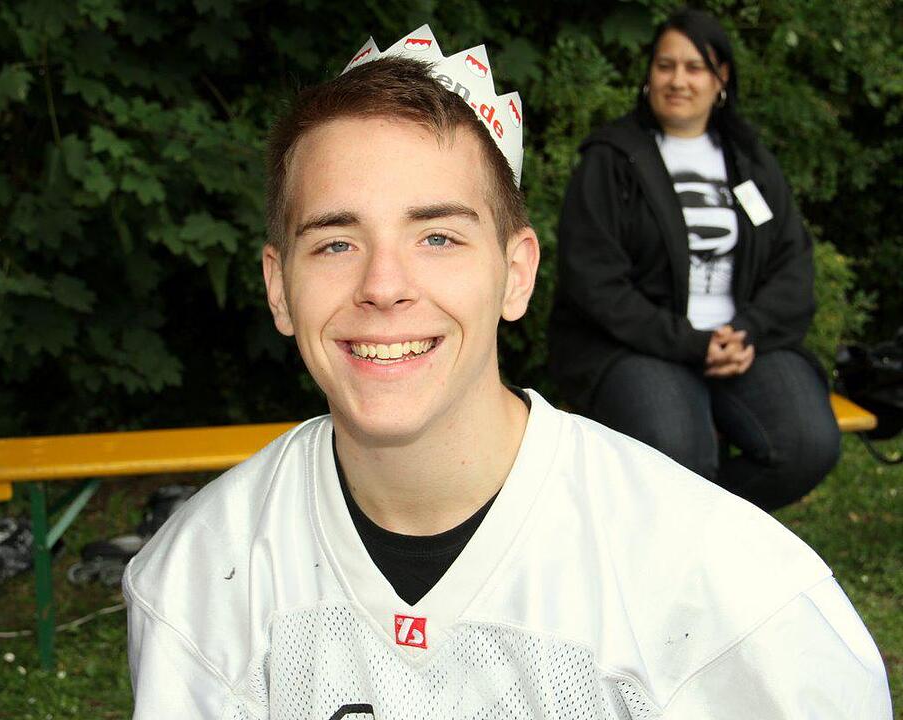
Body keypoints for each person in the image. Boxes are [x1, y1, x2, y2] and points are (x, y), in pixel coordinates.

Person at [123, 25, 890, 719]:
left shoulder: (739, 602)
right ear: (277, 286)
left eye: (438, 238)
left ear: (516, 273)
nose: (384, 286)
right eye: (334, 242)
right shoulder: (194, 585)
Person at [548, 9, 840, 511]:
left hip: (742, 341)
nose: (678, 80)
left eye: (694, 67)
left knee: (808, 445)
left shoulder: (749, 159)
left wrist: (748, 330)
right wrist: (689, 342)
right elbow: (594, 281)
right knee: (679, 451)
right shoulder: (613, 158)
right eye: (665, 66)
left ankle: (699, 532)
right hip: (642, 345)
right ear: (649, 75)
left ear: (721, 77)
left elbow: (793, 261)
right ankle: (683, 539)